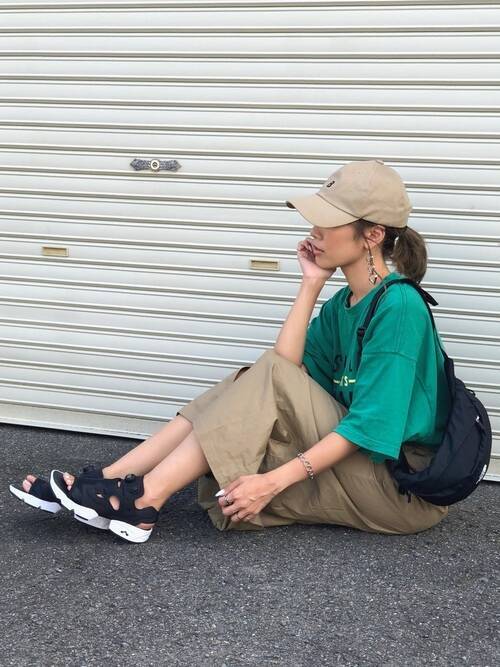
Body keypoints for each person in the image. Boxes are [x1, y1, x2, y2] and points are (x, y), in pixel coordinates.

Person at [10, 159, 451, 543]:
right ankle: (112, 481)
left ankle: (141, 501)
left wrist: (272, 482)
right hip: (363, 467)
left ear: (372, 235)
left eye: (328, 221)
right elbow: (287, 369)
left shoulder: (399, 307)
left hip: (398, 488)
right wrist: (311, 284)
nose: (314, 231)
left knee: (266, 377)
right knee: (253, 376)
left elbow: (369, 427)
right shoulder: (344, 304)